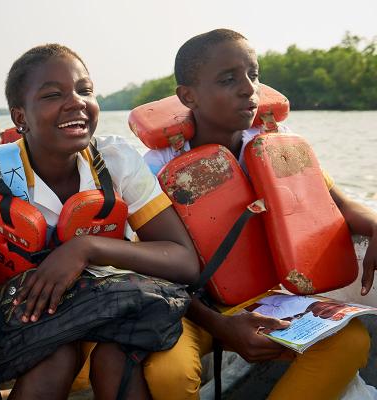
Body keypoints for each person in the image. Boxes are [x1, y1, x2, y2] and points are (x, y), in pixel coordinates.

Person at [0, 44, 200, 400]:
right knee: (55, 357)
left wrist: (86, 248)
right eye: (54, 94)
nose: (76, 102)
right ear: (20, 117)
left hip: (110, 311)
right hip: (27, 328)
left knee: (118, 358)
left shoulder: (116, 161)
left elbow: (184, 261)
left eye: (85, 90)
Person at [141, 28, 374, 400]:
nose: (249, 88)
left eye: (254, 74)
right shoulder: (155, 168)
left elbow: (342, 207)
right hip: (188, 310)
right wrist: (222, 327)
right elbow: (153, 276)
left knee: (349, 340)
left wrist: (375, 227)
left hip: (262, 299)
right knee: (168, 373)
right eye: (228, 79)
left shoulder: (277, 145)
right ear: (188, 96)